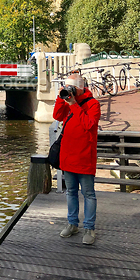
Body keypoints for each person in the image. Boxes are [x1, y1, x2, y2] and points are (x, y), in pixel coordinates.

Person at [53, 73, 101, 245]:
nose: (69, 90)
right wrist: (61, 98)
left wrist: (73, 104)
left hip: (85, 157)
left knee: (88, 194)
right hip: (68, 156)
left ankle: (89, 227)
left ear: (81, 88)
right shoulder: (67, 101)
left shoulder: (93, 104)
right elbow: (57, 116)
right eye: (67, 86)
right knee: (71, 192)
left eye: (72, 87)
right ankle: (72, 223)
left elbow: (88, 124)